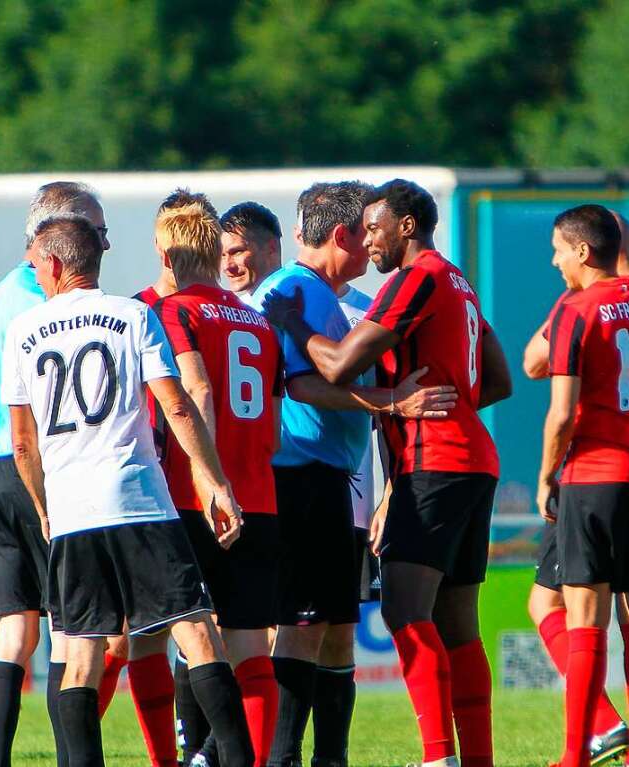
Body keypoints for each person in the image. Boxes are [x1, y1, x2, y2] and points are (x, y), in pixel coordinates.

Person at [264, 179, 512, 767]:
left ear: (406, 226)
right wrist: (449, 399)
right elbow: (498, 380)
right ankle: (476, 759)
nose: (367, 241)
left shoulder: (416, 277)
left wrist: (293, 325)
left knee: (404, 610)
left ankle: (436, 756)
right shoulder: (460, 280)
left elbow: (341, 364)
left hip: (434, 463)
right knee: (459, 624)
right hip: (475, 462)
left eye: (374, 228)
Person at [4, 214, 255, 767]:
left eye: (37, 264)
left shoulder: (23, 330)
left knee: (81, 655)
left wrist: (45, 509)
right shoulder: (133, 314)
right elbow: (178, 405)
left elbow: (23, 444)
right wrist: (214, 481)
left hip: (73, 511)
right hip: (139, 498)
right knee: (195, 631)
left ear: (53, 263)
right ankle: (240, 759)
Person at [0, 180, 111, 767]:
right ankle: (68, 757)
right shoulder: (52, 301)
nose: (101, 243)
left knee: (13, 632)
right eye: (94, 231)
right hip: (42, 471)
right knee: (69, 628)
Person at [141, 202, 283, 767]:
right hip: (260, 493)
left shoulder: (172, 311)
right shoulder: (257, 319)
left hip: (193, 498)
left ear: (167, 254)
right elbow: (271, 419)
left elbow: (196, 392)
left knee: (157, 637)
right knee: (250, 644)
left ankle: (168, 759)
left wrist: (209, 478)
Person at [523, 209, 629, 766]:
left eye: (559, 250)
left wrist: (546, 477)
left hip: (594, 477)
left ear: (583, 253)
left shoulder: (576, 309)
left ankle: (574, 756)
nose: (554, 260)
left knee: (584, 618)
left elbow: (561, 413)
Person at [135, 188, 219, 306]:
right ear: (158, 243)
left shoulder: (227, 312)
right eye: (178, 238)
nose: (187, 252)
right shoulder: (137, 309)